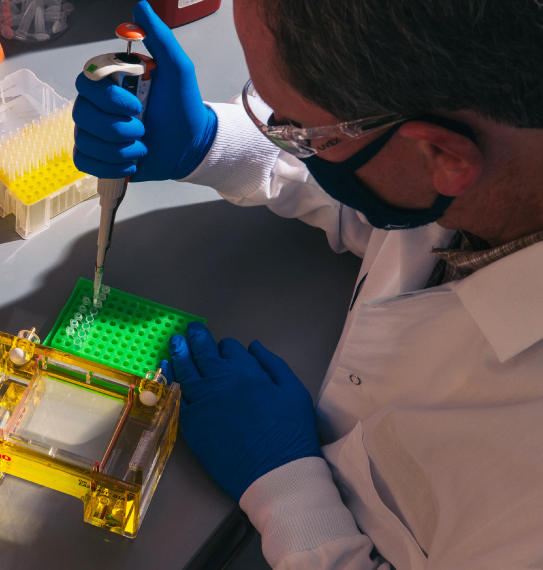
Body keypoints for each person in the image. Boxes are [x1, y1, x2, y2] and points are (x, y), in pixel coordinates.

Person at [72, 1, 543, 568]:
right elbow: (397, 199)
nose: (284, 136)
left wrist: (290, 491)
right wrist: (209, 143)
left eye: (298, 130)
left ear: (442, 153)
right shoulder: (506, 155)